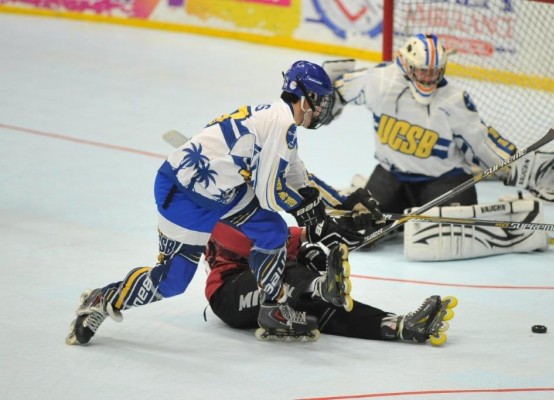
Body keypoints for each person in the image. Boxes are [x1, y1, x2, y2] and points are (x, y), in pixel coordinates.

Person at [66, 60, 382, 345]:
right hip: (183, 195)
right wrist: (309, 212)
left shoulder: (278, 123)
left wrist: (347, 200)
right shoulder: (279, 125)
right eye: (320, 99)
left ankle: (272, 310)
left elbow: (300, 178)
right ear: (304, 96)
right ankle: (102, 298)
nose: (323, 107)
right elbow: (270, 194)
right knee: (173, 281)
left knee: (271, 231)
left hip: (221, 193)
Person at [326, 33, 554, 256]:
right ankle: (397, 218)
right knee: (356, 233)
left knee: (438, 237)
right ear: (407, 66)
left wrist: (524, 167)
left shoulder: (454, 101)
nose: (428, 78)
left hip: (444, 182)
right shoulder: (380, 81)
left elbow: (485, 144)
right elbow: (337, 89)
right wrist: (318, 100)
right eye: (422, 70)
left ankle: (498, 224)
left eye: (435, 71)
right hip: (391, 176)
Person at [204, 218, 457, 344]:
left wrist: (309, 251)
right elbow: (256, 243)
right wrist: (306, 235)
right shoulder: (215, 209)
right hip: (229, 293)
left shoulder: (252, 204)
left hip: (271, 292)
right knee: (281, 271)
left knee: (330, 307)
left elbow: (275, 238)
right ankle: (319, 287)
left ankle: (397, 325)